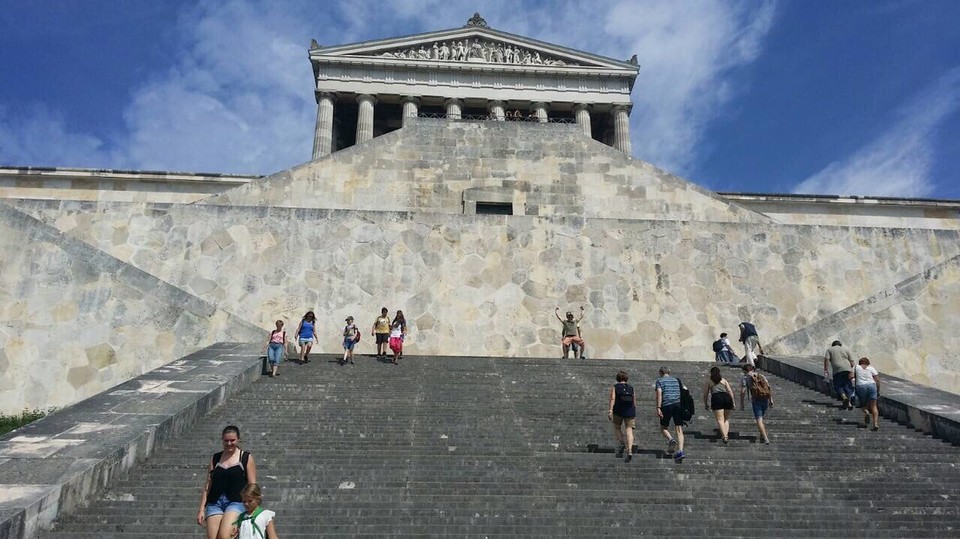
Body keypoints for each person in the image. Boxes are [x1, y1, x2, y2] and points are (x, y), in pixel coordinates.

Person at [197, 426, 257, 539]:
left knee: (225, 536)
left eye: (232, 440)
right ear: (222, 440)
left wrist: (252, 511)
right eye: (226, 441)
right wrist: (201, 509)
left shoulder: (245, 457)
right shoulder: (215, 458)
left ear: (238, 439)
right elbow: (208, 485)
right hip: (215, 502)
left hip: (237, 501)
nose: (229, 443)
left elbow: (252, 486)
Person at [655, 367, 686, 462]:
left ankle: (671, 439)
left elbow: (659, 394)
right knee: (679, 428)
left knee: (663, 427)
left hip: (666, 405)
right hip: (677, 404)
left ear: (660, 373)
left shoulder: (659, 381)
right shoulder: (676, 380)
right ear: (669, 372)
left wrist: (658, 407)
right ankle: (680, 451)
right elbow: (685, 389)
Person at [607, 370, 637, 463]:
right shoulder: (631, 387)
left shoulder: (615, 387)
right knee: (629, 430)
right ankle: (630, 450)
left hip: (618, 410)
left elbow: (613, 398)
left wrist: (610, 410)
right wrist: (634, 409)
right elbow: (634, 400)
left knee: (617, 427)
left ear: (618, 378)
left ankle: (622, 442)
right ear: (626, 378)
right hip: (630, 410)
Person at [740, 364, 773, 444]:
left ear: (745, 371)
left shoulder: (745, 377)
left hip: (756, 400)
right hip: (765, 398)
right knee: (761, 418)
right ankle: (762, 434)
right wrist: (771, 399)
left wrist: (742, 403)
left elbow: (743, 391)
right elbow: (768, 387)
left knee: (759, 419)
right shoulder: (760, 375)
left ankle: (765, 438)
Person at [703, 366, 736, 443]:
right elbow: (730, 391)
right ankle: (726, 435)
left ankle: (724, 436)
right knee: (725, 419)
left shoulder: (709, 381)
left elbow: (705, 394)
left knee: (720, 419)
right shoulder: (723, 380)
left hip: (716, 398)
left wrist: (705, 403)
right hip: (726, 397)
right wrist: (733, 402)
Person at [824, 340, 856, 409]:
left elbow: (826, 360)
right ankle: (849, 404)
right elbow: (852, 361)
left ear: (833, 345)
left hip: (837, 370)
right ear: (840, 344)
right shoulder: (846, 349)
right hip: (847, 369)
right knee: (847, 386)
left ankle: (844, 398)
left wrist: (826, 370)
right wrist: (853, 371)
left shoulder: (829, 350)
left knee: (838, 385)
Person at [854, 357, 881, 431]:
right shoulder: (871, 368)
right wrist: (878, 390)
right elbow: (877, 379)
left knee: (863, 404)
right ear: (868, 363)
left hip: (861, 386)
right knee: (874, 406)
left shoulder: (856, 367)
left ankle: (866, 412)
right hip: (872, 386)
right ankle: (875, 424)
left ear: (860, 363)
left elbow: (851, 376)